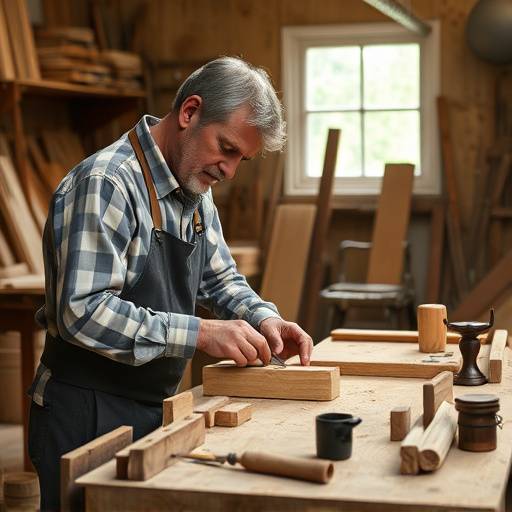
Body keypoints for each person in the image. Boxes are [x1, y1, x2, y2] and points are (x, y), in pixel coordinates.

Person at [28, 56, 313, 510]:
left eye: (242, 158)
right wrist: (200, 332)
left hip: (156, 404)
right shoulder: (107, 183)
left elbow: (220, 280)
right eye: (227, 147)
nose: (230, 170)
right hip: (85, 411)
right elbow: (81, 311)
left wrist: (264, 318)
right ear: (189, 112)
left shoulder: (194, 189)